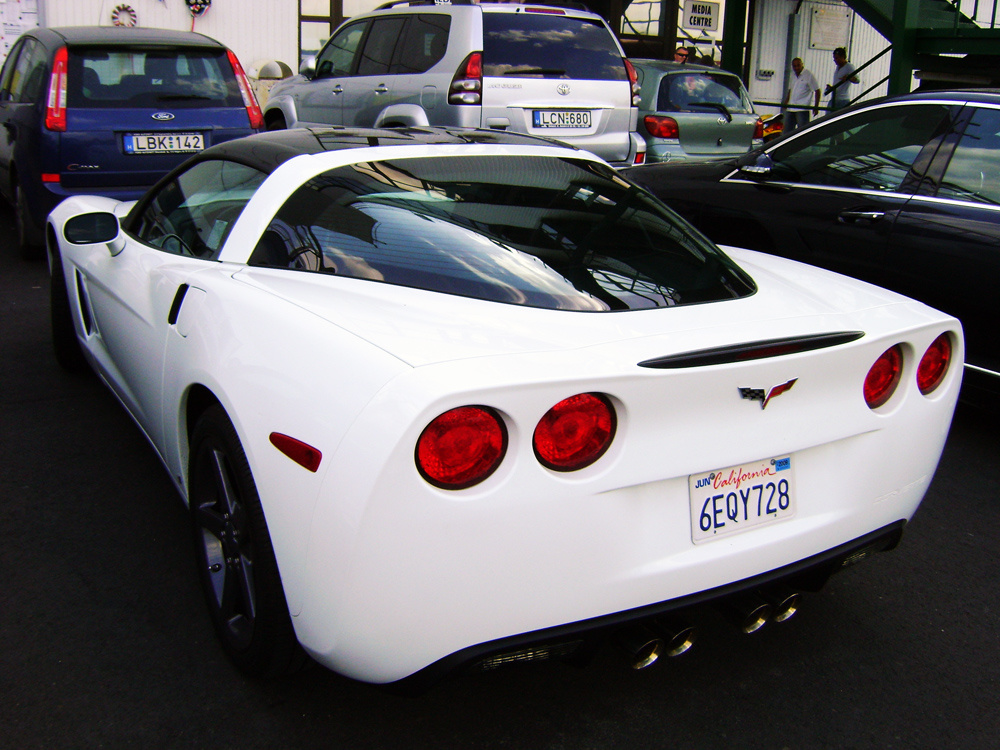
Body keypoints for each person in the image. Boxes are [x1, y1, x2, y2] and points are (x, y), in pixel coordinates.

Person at [781, 57, 819, 134]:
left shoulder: (808, 75)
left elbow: (817, 90)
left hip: (802, 108)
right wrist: (786, 101)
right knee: (786, 132)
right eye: (794, 66)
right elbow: (790, 90)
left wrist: (816, 106)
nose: (796, 68)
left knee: (802, 132)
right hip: (791, 108)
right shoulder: (793, 75)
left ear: (802, 64)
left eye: (798, 65)